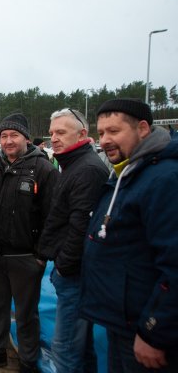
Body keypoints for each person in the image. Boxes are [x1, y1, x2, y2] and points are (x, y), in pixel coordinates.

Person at [79, 99, 178, 372]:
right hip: (120, 322)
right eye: (100, 133)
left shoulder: (164, 179)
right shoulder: (128, 172)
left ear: (143, 128)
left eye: (114, 131)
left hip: (145, 331)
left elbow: (174, 264)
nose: (105, 140)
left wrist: (153, 330)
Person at [0, 113, 59, 372]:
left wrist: (40, 255)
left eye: (14, 135)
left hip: (24, 258)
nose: (8, 141)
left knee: (26, 313)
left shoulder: (42, 169)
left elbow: (53, 215)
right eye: (4, 136)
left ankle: (28, 360)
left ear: (26, 138)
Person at [36, 108, 109, 373]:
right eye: (52, 132)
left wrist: (64, 265)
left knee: (65, 348)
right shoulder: (73, 164)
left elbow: (80, 226)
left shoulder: (86, 169)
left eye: (61, 132)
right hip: (71, 271)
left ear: (82, 134)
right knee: (82, 347)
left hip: (74, 274)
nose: (54, 138)